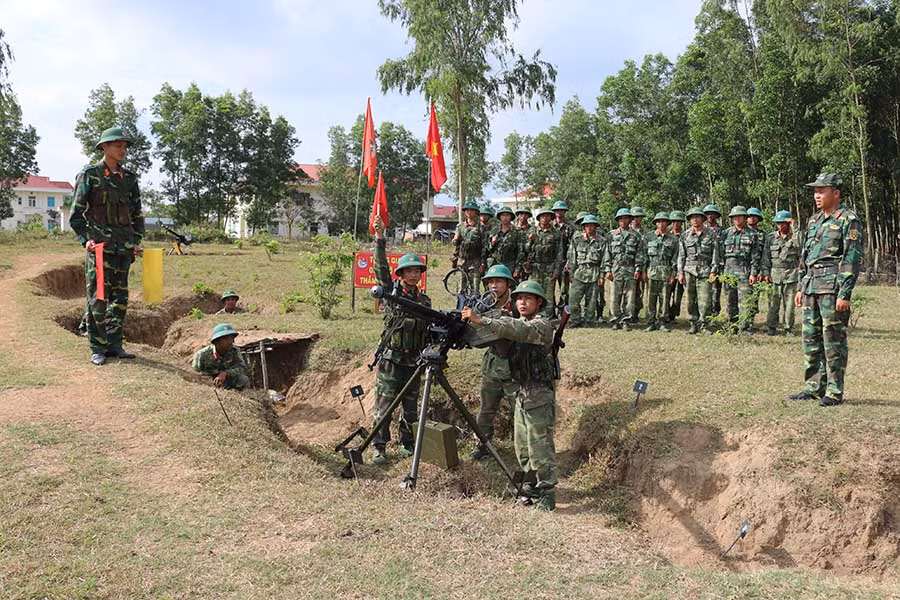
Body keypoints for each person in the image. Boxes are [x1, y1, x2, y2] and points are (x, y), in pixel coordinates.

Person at [462, 280, 558, 511]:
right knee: (523, 447)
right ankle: (531, 485)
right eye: (519, 299)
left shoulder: (542, 325)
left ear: (539, 302)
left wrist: (483, 320)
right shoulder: (520, 322)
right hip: (524, 393)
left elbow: (517, 330)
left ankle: (547, 493)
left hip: (539, 395)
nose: (522, 303)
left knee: (539, 446)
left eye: (528, 299)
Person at [69, 126, 144, 366]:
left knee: (120, 299)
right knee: (98, 298)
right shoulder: (90, 174)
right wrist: (85, 240)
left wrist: (136, 241)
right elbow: (76, 215)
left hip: (123, 248)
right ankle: (97, 347)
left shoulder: (130, 179)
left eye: (124, 146)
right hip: (99, 248)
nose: (122, 150)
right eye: (117, 145)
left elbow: (137, 214)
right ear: (104, 147)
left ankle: (114, 344)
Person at [789, 173, 863, 407]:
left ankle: (833, 390)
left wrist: (845, 293)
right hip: (811, 287)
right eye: (815, 191)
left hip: (832, 289)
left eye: (822, 191)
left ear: (836, 193)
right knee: (810, 339)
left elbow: (851, 257)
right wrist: (801, 286)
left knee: (833, 341)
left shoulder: (848, 219)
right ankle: (813, 386)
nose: (817, 195)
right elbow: (806, 257)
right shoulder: (814, 221)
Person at [370, 216, 431, 463]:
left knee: (410, 407)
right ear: (401, 273)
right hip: (391, 360)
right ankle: (379, 447)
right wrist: (379, 239)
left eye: (417, 271)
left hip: (414, 361)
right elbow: (380, 270)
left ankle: (407, 443)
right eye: (410, 271)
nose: (414, 274)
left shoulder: (424, 301)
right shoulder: (392, 293)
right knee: (384, 407)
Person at [471, 264, 520, 460]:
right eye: (490, 282)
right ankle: (482, 446)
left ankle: (523, 449)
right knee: (486, 409)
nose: (494, 286)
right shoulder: (484, 304)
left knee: (520, 409)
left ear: (508, 283)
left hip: (516, 364)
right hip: (493, 363)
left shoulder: (519, 303)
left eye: (498, 281)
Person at [678, 207, 720, 334]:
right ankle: (693, 324)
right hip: (689, 270)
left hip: (705, 271)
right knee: (691, 300)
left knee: (705, 299)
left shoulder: (711, 234)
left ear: (703, 219)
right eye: (692, 217)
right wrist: (680, 272)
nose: (695, 219)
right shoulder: (685, 235)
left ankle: (704, 325)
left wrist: (714, 270)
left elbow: (715, 254)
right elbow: (681, 256)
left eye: (697, 217)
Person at [721, 206, 761, 332]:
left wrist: (753, 273)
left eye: (740, 216)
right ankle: (732, 325)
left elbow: (755, 256)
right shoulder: (725, 233)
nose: (737, 219)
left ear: (744, 218)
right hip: (728, 270)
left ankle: (745, 326)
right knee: (730, 300)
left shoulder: (752, 234)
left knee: (745, 301)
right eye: (734, 217)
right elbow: (719, 254)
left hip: (744, 270)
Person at [603, 208, 644, 331]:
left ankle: (626, 320)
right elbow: (607, 253)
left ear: (630, 219)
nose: (623, 220)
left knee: (630, 297)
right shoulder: (611, 235)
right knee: (615, 296)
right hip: (616, 268)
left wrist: (638, 268)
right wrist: (607, 269)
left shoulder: (636, 235)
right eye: (621, 218)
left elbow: (639, 253)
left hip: (630, 269)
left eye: (626, 218)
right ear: (618, 220)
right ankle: (615, 320)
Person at [765, 210, 802, 336]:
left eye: (783, 223)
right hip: (774, 274)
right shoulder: (771, 238)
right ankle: (771, 327)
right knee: (773, 303)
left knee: (789, 304)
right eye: (778, 223)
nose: (780, 226)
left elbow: (800, 246)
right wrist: (765, 272)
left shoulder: (795, 236)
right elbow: (766, 257)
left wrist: (794, 227)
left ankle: (788, 328)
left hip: (791, 274)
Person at [523, 207, 564, 318]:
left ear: (551, 218)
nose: (545, 218)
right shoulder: (532, 231)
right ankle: (532, 314)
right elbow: (525, 250)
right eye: (542, 216)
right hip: (535, 267)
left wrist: (556, 270)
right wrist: (530, 240)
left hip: (549, 267)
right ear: (539, 218)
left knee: (548, 294)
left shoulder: (556, 233)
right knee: (533, 292)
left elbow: (559, 254)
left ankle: (548, 316)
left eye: (547, 216)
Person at [566, 215, 605, 328]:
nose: (589, 228)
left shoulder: (601, 241)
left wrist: (602, 275)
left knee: (592, 300)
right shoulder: (577, 239)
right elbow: (572, 257)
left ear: (595, 227)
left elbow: (605, 259)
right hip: (579, 272)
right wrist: (571, 273)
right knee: (573, 299)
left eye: (592, 225)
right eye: (587, 225)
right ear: (583, 227)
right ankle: (576, 319)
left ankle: (588, 320)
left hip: (594, 272)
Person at [644, 212, 678, 332]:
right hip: (651, 271)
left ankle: (662, 322)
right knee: (650, 299)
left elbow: (675, 258)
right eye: (658, 222)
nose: (661, 224)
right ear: (655, 223)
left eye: (664, 221)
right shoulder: (648, 237)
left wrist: (673, 274)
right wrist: (643, 271)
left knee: (665, 298)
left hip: (666, 272)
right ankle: (650, 322)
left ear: (668, 223)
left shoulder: (673, 239)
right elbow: (644, 256)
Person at [192, 323, 250, 390]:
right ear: (217, 341)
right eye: (226, 339)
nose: (230, 342)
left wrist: (225, 373)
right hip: (207, 383)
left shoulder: (234, 351)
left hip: (227, 380)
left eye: (231, 338)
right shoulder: (202, 355)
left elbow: (241, 368)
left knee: (243, 379)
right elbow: (194, 375)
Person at [452, 200, 485, 295]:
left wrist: (482, 263)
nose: (469, 212)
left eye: (472, 210)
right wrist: (456, 239)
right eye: (467, 210)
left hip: (475, 262)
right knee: (462, 289)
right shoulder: (460, 226)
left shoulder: (480, 227)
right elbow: (455, 244)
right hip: (462, 261)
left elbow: (484, 246)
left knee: (475, 289)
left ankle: (474, 309)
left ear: (476, 213)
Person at [487, 206, 525, 279]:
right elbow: (487, 249)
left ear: (511, 217)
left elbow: (521, 252)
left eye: (507, 215)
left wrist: (517, 269)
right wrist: (492, 243)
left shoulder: (518, 232)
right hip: (496, 264)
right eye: (503, 215)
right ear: (500, 217)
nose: (505, 218)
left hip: (510, 264)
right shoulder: (494, 231)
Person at [746, 207, 767, 327]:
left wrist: (761, 272)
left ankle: (750, 320)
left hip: (757, 268)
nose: (751, 218)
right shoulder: (743, 232)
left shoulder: (763, 235)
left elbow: (765, 254)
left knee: (754, 296)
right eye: (749, 216)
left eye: (754, 216)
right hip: (743, 268)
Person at [552, 200, 575, 311]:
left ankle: (562, 310)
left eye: (561, 210)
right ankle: (550, 310)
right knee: (549, 288)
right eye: (557, 210)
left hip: (565, 261)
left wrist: (568, 262)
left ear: (564, 211)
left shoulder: (570, 227)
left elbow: (572, 246)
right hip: (551, 262)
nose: (559, 212)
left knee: (564, 289)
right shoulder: (550, 226)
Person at [704, 203, 725, 316]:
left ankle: (715, 314)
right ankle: (704, 314)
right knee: (704, 291)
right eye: (707, 214)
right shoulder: (701, 230)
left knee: (716, 291)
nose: (710, 216)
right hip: (704, 265)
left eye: (713, 214)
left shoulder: (722, 231)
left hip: (719, 265)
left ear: (716, 216)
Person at [628, 206, 648, 323]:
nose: (636, 219)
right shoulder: (625, 231)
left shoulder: (646, 233)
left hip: (643, 266)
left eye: (639, 217)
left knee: (640, 291)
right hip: (629, 267)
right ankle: (627, 314)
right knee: (628, 291)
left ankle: (635, 313)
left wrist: (643, 268)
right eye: (634, 217)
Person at [666, 210, 686, 323]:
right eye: (673, 221)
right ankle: (666, 314)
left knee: (678, 295)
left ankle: (673, 315)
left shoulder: (686, 234)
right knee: (667, 293)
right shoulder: (667, 235)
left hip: (682, 269)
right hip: (668, 269)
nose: (676, 224)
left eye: (678, 221)